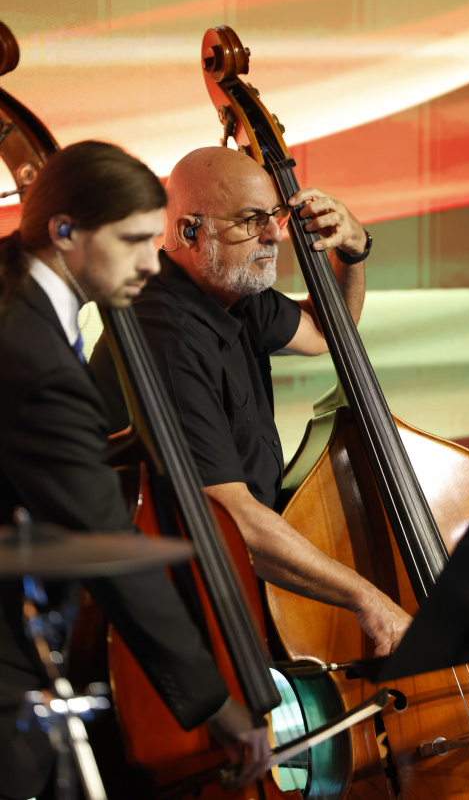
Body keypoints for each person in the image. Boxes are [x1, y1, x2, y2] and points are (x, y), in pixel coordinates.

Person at [0, 141, 270, 800]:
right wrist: (215, 702)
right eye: (132, 242)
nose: (152, 264)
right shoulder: (36, 361)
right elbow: (107, 544)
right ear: (64, 231)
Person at [90, 145, 411, 656]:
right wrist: (367, 599)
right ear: (189, 231)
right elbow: (230, 516)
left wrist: (352, 251)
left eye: (274, 216)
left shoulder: (230, 289)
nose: (275, 235)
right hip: (178, 615)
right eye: (250, 220)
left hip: (227, 584)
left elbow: (328, 332)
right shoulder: (164, 335)